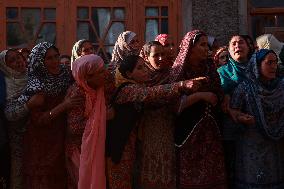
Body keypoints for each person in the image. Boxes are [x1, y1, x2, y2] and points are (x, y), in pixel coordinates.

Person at [107, 54, 206, 189]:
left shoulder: (137, 86)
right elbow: (151, 93)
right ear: (129, 74)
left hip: (129, 142)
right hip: (118, 144)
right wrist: (181, 85)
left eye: (145, 66)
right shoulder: (127, 89)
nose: (146, 70)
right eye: (140, 68)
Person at [11, 42, 78, 189]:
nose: (55, 61)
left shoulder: (66, 75)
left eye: (56, 56)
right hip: (41, 143)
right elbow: (39, 120)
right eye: (49, 58)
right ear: (40, 61)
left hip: (62, 138)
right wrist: (64, 105)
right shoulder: (35, 83)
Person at [170, 30, 227, 189]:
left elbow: (218, 92)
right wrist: (200, 96)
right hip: (188, 132)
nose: (206, 49)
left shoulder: (209, 66)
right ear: (190, 47)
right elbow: (173, 105)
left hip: (211, 131)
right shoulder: (179, 70)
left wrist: (223, 99)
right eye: (201, 45)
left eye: (206, 45)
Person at [230, 49, 284, 188]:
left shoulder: (281, 87)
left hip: (275, 145)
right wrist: (241, 117)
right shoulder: (245, 88)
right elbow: (234, 111)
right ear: (257, 65)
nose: (274, 67)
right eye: (269, 63)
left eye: (275, 62)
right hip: (251, 144)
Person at [65, 54, 115, 189]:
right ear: (87, 77)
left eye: (104, 69)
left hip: (96, 147)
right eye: (100, 72)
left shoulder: (99, 87)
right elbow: (74, 127)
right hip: (79, 151)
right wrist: (103, 117)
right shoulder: (78, 94)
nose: (105, 74)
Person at [217, 35, 254, 188]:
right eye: (233, 44)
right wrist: (234, 113)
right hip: (231, 125)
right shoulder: (222, 71)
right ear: (229, 50)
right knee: (233, 164)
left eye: (241, 43)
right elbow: (220, 100)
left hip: (256, 124)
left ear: (249, 47)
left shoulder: (258, 68)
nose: (237, 46)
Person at [0, 49, 27, 189]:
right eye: (12, 60)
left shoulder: (33, 76)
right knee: (18, 172)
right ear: (5, 66)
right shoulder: (6, 85)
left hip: (38, 134)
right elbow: (9, 114)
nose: (18, 61)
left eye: (19, 57)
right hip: (16, 138)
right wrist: (30, 105)